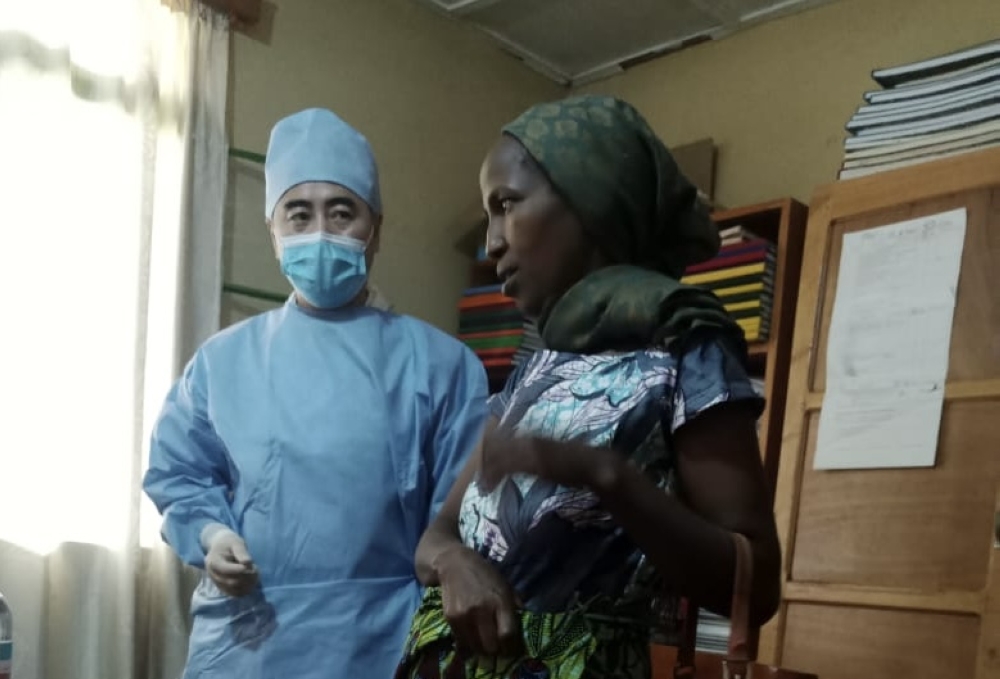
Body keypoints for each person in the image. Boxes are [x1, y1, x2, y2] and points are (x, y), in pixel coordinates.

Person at [395, 95, 782, 679]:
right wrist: (455, 565)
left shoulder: (687, 347)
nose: (492, 242)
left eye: (506, 205)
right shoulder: (538, 363)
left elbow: (755, 586)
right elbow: (439, 531)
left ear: (590, 199)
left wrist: (606, 476)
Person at [143, 108, 488, 679]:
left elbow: (462, 520)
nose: (320, 232)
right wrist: (211, 532)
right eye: (299, 214)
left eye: (342, 212)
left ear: (375, 228)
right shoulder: (222, 362)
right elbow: (179, 473)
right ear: (272, 231)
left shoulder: (442, 366)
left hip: (380, 641)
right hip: (247, 641)